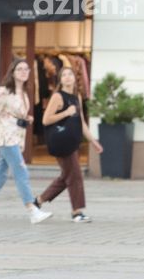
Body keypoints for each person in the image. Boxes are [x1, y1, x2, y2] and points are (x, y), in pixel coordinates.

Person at [0, 59, 52, 225]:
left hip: (17, 137)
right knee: (21, 171)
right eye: (20, 69)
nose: (24, 72)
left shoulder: (24, 93)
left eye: (26, 69)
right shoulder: (4, 91)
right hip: (6, 137)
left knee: (0, 175)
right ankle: (32, 209)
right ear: (12, 72)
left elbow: (16, 114)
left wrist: (27, 118)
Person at [37, 66, 102, 223]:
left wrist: (93, 141)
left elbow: (81, 122)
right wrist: (66, 112)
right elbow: (46, 120)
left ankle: (37, 201)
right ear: (60, 80)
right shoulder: (58, 96)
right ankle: (76, 212)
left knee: (67, 176)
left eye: (70, 74)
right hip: (60, 142)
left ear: (74, 78)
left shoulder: (76, 97)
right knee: (75, 176)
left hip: (71, 141)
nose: (67, 77)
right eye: (63, 75)